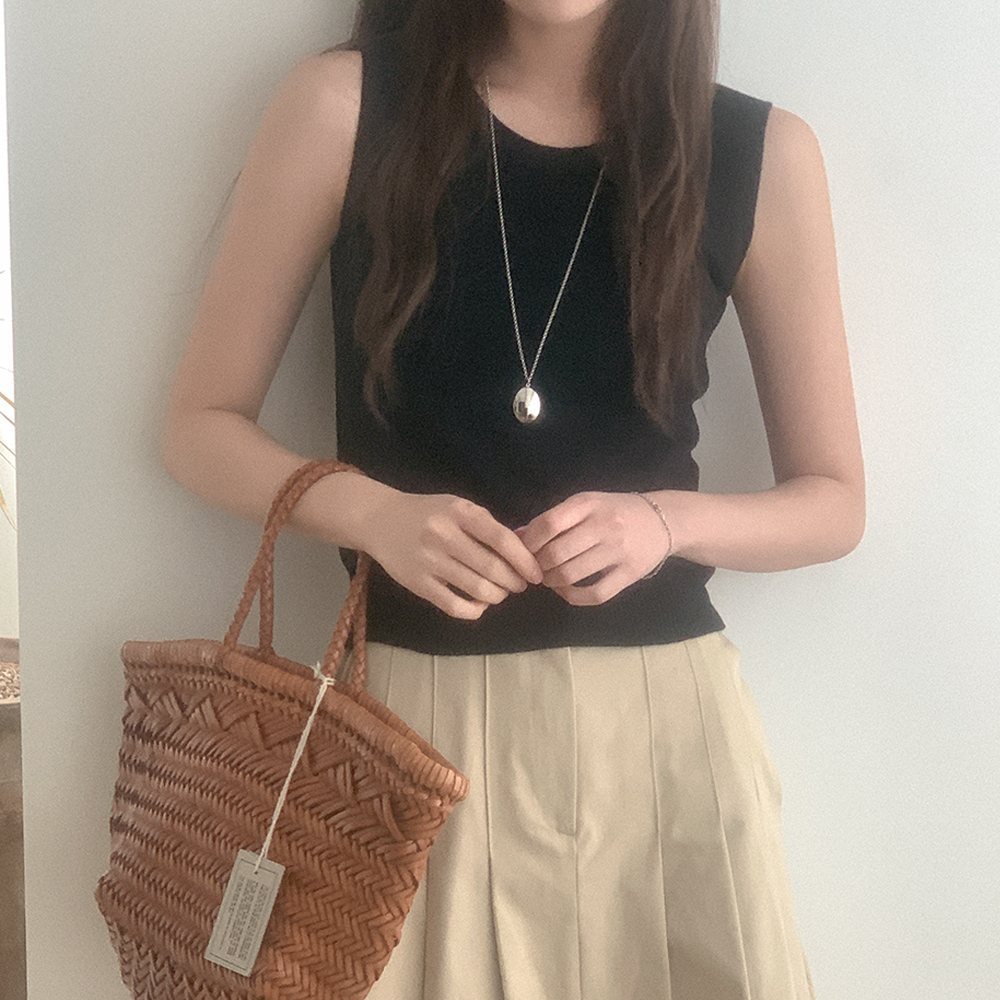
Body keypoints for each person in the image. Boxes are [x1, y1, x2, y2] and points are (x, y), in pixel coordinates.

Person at [161, 0, 865, 996]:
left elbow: (834, 501)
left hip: (663, 742)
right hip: (413, 732)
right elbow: (199, 427)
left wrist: (661, 522)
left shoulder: (756, 150)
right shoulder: (342, 109)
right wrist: (371, 513)